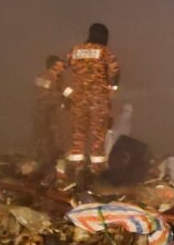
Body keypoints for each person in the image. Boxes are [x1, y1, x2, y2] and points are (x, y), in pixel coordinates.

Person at [49, 23, 120, 184]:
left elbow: (55, 72)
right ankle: (96, 173)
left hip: (78, 101)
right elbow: (115, 72)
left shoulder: (74, 51)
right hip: (98, 102)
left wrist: (67, 92)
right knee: (97, 138)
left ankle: (77, 170)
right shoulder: (105, 52)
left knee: (78, 136)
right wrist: (113, 88)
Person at [33, 55, 65, 172]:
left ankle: (53, 163)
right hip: (43, 115)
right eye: (61, 65)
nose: (63, 67)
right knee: (44, 139)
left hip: (54, 115)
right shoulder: (43, 78)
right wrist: (60, 97)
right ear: (54, 66)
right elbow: (42, 95)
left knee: (56, 139)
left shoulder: (60, 79)